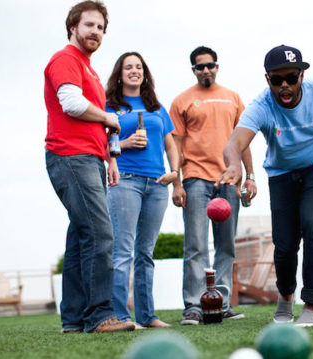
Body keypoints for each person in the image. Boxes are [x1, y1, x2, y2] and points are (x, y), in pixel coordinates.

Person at [217, 45, 313, 327]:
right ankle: (286, 297)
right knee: (284, 246)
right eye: (276, 80)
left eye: (291, 78)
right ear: (267, 79)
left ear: (302, 75)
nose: (284, 86)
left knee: (312, 223)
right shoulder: (261, 105)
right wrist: (235, 165)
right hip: (281, 174)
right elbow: (234, 143)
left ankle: (311, 305)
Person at [43, 0, 134, 333]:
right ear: (73, 28)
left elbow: (96, 122)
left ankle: (74, 320)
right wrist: (109, 116)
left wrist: (110, 156)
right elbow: (71, 104)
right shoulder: (66, 59)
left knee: (81, 238)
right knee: (99, 233)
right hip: (70, 156)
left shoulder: (89, 69)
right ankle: (99, 316)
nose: (95, 32)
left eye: (100, 27)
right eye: (89, 25)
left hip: (92, 157)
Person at [169, 46, 257, 325]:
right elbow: (177, 145)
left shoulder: (233, 99)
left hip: (229, 180)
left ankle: (219, 303)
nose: (206, 70)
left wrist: (250, 175)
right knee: (195, 246)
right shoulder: (182, 101)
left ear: (217, 66)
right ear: (193, 70)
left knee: (226, 246)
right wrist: (177, 184)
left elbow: (242, 140)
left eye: (210, 65)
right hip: (195, 178)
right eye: (199, 67)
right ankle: (195, 305)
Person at [104, 52, 180, 329]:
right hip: (125, 181)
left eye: (138, 67)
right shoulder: (110, 107)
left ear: (144, 73)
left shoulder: (157, 107)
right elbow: (101, 145)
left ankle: (147, 317)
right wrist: (123, 144)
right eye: (128, 67)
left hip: (157, 185)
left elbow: (171, 145)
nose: (134, 71)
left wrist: (174, 172)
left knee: (145, 253)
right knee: (123, 252)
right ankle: (121, 317)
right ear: (120, 73)